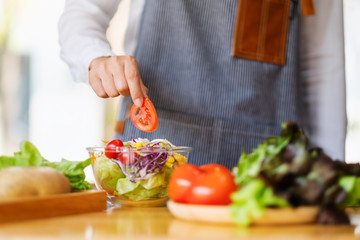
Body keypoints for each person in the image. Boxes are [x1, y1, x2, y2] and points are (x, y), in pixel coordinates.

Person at [58, 0, 346, 169]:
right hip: (154, 164)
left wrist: (330, 175)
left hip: (268, 171)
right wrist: (96, 58)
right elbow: (82, 13)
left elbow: (323, 61)